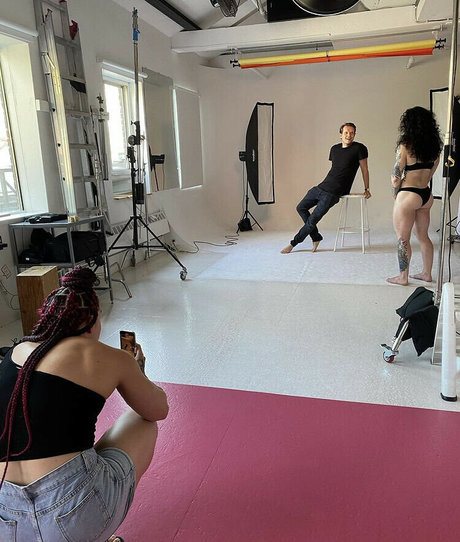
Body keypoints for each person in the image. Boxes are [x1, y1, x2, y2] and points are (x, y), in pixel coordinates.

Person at [0, 266, 169, 542]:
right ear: (92, 320)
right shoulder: (109, 356)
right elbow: (158, 410)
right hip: (73, 518)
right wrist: (138, 372)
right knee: (141, 421)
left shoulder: (17, 352)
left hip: (8, 521)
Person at [281, 122, 370, 254]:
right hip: (321, 187)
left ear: (355, 134)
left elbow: (364, 169)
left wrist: (366, 188)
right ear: (340, 135)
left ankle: (293, 244)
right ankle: (316, 237)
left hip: (333, 193)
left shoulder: (359, 148)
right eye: (346, 132)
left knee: (312, 220)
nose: (349, 135)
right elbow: (336, 169)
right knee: (301, 208)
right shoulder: (334, 149)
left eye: (352, 133)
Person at [386, 106, 442, 286]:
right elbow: (430, 173)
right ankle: (427, 274)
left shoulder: (405, 146)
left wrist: (396, 194)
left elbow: (396, 177)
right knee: (423, 236)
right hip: (426, 195)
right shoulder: (435, 148)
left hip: (408, 195)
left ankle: (403, 277)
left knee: (403, 239)